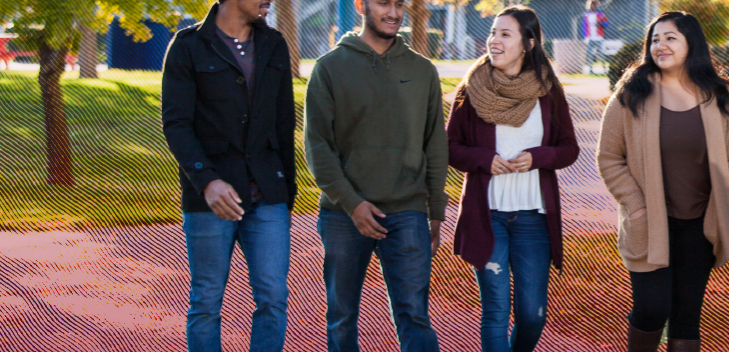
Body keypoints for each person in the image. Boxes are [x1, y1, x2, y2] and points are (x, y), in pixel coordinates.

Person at [597, 11, 729, 352]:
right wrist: (635, 206)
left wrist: (720, 201)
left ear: (691, 43)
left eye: (670, 38)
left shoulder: (718, 96)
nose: (660, 45)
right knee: (652, 308)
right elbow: (609, 157)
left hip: (701, 224)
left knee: (687, 316)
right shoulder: (631, 93)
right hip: (648, 222)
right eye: (654, 39)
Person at [303, 0, 449, 350]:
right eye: (384, 2)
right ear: (360, 5)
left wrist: (435, 212)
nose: (393, 12)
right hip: (344, 215)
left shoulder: (423, 71)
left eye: (400, 4)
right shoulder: (329, 68)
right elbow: (317, 147)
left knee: (414, 315)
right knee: (341, 318)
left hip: (407, 211)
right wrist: (353, 204)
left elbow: (435, 145)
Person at [161, 0, 296, 350]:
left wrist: (286, 195)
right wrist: (206, 181)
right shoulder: (187, 46)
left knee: (274, 297)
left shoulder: (275, 44)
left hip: (268, 195)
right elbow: (176, 125)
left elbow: (284, 124)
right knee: (206, 301)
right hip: (209, 199)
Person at [447, 5, 580, 352]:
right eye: (493, 32)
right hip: (486, 214)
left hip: (534, 220)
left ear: (529, 43)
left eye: (505, 34)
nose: (494, 40)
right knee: (495, 312)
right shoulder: (471, 88)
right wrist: (483, 160)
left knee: (532, 315)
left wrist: (539, 157)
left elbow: (569, 149)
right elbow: (450, 147)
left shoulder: (549, 93)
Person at [580, 0, 609, 74]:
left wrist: (600, 24)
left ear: (595, 6)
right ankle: (590, 69)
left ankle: (604, 68)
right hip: (589, 38)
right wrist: (585, 37)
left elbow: (606, 24)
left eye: (593, 5)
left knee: (600, 54)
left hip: (598, 37)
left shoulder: (600, 14)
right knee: (589, 54)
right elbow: (584, 27)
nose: (591, 6)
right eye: (590, 5)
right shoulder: (586, 15)